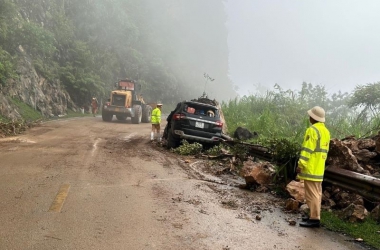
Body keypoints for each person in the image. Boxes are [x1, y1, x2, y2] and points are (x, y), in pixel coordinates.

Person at [297, 106, 330, 228]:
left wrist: (301, 164)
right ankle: (313, 215)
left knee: (312, 195)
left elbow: (307, 150)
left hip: (311, 168)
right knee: (317, 193)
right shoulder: (326, 131)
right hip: (319, 168)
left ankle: (314, 219)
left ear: (313, 117)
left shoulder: (312, 130)